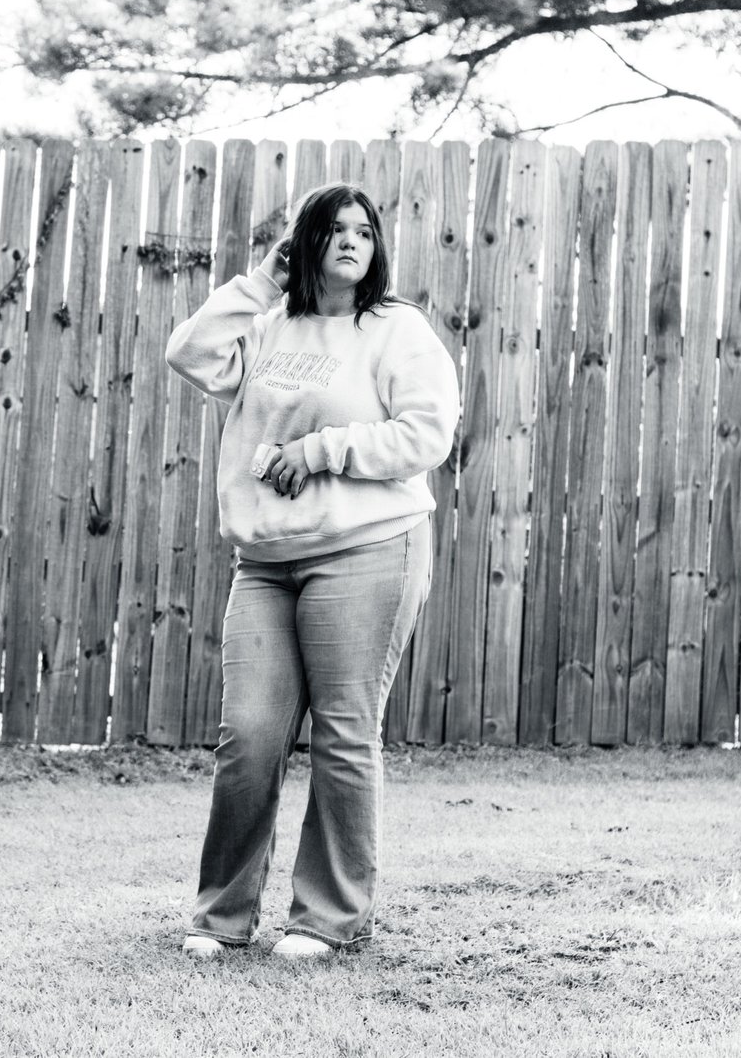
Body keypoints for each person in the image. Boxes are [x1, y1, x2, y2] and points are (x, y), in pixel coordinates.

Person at [164, 182, 460, 961]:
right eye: (335, 228)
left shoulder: (397, 330)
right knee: (250, 737)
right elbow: (189, 353)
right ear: (306, 241)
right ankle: (221, 918)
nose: (353, 240)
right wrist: (261, 281)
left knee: (341, 732)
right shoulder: (270, 323)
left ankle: (326, 920)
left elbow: (426, 435)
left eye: (366, 230)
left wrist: (323, 449)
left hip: (367, 548)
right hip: (263, 561)